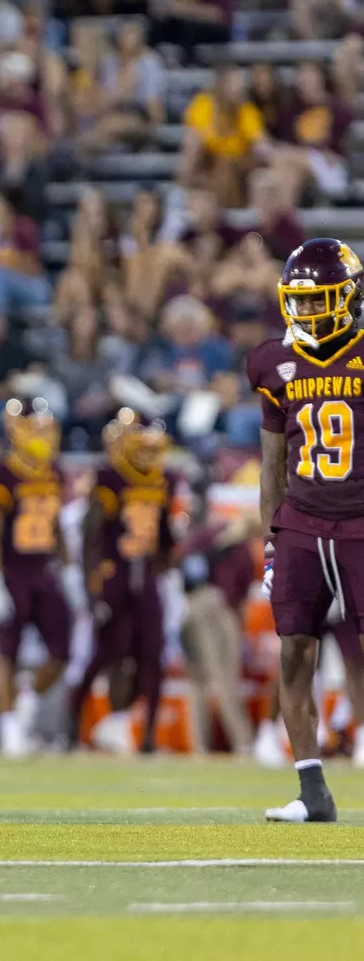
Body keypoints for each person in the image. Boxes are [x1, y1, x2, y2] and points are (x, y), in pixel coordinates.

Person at [247, 239, 364, 822]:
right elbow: (271, 466)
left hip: (362, 521)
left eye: (320, 302)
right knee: (295, 649)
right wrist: (271, 542)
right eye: (301, 302)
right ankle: (312, 791)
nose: (309, 314)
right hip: (301, 522)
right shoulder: (274, 363)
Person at [74, 409, 181, 758]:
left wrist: (171, 576)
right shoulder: (108, 478)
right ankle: (72, 727)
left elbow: (166, 539)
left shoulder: (160, 480)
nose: (150, 453)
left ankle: (146, 736)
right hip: (113, 575)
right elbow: (90, 534)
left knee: (152, 655)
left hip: (146, 576)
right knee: (107, 654)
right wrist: (91, 587)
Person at [0, 398, 77, 758]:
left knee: (63, 650)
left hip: (44, 569)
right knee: (6, 653)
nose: (44, 435)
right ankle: (8, 728)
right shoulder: (1, 473)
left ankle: (26, 704)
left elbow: (59, 526)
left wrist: (70, 569)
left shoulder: (54, 471)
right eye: (37, 427)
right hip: (11, 570)